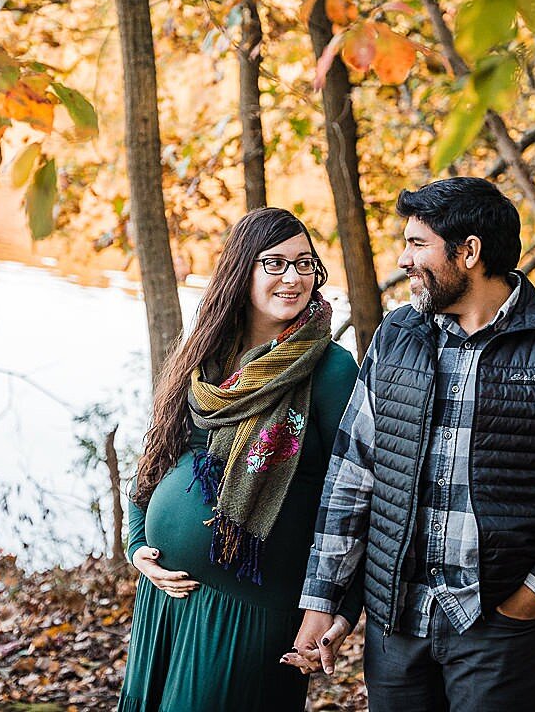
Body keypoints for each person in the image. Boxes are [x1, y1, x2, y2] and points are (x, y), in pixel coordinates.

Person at [290, 177, 535, 711]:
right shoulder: (395, 335)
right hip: (396, 625)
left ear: (469, 251)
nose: (403, 260)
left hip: (502, 630)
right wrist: (323, 599)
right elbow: (351, 477)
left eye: (417, 244)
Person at [118, 208, 361, 712]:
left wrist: (339, 608)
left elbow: (357, 496)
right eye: (274, 264)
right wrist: (139, 542)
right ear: (241, 270)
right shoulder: (206, 354)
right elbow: (159, 454)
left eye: (304, 263)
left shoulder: (331, 369)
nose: (293, 278)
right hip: (167, 598)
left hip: (251, 611)